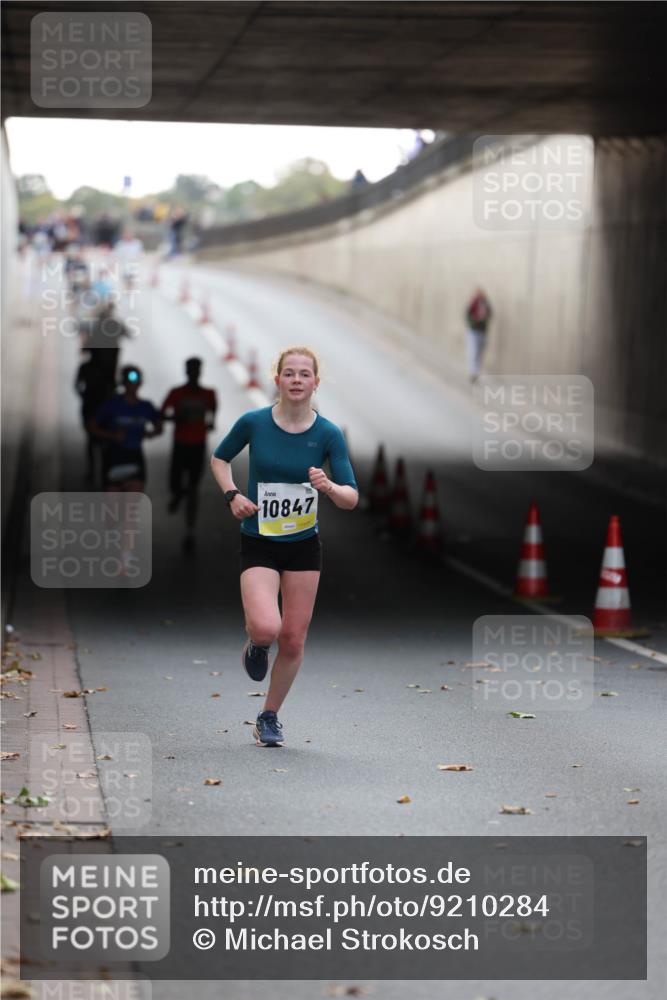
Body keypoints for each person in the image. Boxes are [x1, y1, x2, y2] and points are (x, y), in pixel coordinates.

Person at [210, 347, 358, 747]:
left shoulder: (327, 434)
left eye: (304, 374)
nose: (296, 380)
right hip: (259, 541)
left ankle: (269, 716)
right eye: (289, 373)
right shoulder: (254, 423)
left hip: (303, 547)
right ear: (277, 380)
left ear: (315, 383)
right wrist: (232, 495)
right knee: (267, 627)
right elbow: (220, 459)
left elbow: (351, 497)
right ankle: (256, 644)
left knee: (293, 638)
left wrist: (328, 487)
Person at [162, 358, 217, 549]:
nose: (193, 373)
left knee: (193, 488)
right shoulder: (176, 393)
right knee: (175, 484)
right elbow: (162, 413)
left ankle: (190, 531)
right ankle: (178, 495)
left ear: (199, 372)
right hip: (180, 444)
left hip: (197, 445)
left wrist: (210, 422)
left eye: (196, 370)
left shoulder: (208, 394)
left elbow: (213, 411)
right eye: (191, 370)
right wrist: (176, 418)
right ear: (187, 371)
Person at [90, 365, 162, 492]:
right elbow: (92, 426)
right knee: (113, 505)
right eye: (129, 382)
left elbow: (158, 426)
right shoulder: (112, 405)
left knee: (132, 505)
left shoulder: (146, 406)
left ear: (140, 383)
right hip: (113, 456)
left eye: (135, 382)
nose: (132, 386)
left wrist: (151, 433)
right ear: (123, 383)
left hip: (135, 456)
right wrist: (112, 436)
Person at [74, 351, 117, 484]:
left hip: (96, 407)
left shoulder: (101, 368)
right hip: (92, 407)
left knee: (97, 440)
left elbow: (113, 387)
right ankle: (95, 470)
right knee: (95, 440)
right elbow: (77, 385)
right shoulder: (90, 367)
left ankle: (98, 471)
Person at [465, 288, 492, 383]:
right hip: (474, 332)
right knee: (474, 353)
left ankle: (477, 372)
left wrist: (484, 318)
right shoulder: (473, 304)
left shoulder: (486, 304)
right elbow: (467, 316)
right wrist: (475, 320)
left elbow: (490, 315)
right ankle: (473, 373)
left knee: (480, 354)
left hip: (483, 332)